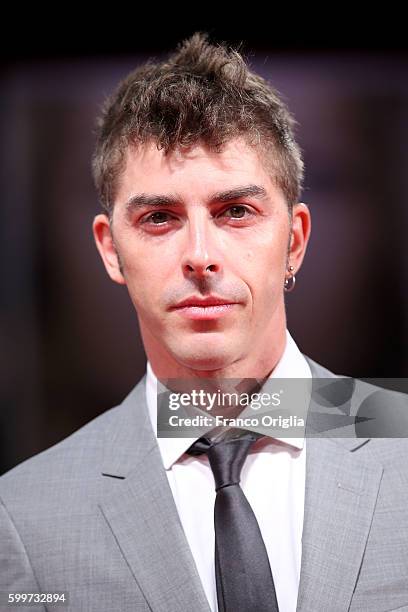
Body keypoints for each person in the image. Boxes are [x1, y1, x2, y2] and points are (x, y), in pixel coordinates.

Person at [0, 32, 407, 612]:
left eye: (235, 212)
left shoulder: (403, 438)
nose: (200, 254)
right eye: (160, 217)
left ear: (293, 241)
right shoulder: (24, 515)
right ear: (111, 249)